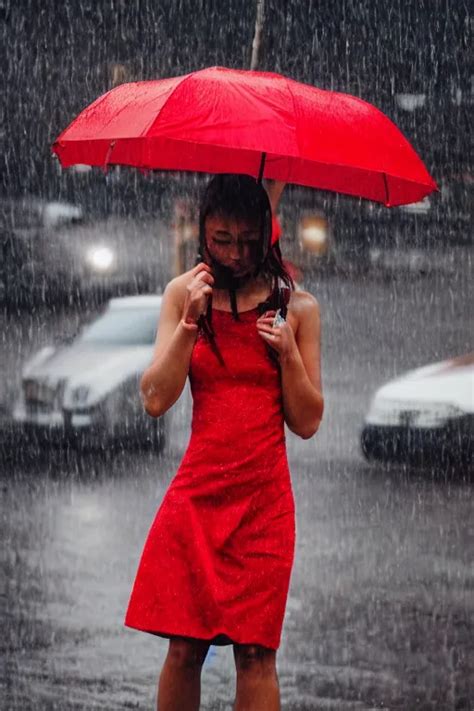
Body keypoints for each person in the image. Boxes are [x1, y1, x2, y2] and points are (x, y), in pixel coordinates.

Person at [124, 174, 324, 711]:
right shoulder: (182, 295)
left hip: (264, 505)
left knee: (256, 655)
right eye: (222, 239)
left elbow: (307, 422)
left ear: (267, 233)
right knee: (184, 648)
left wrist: (287, 356)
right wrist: (190, 321)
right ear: (202, 235)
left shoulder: (297, 308)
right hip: (198, 501)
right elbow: (154, 398)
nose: (236, 253)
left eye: (247, 240)